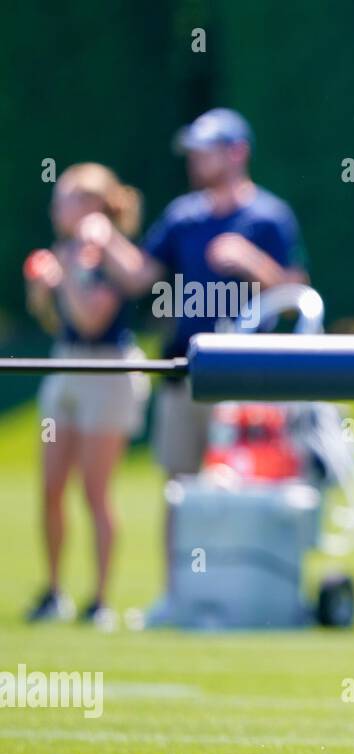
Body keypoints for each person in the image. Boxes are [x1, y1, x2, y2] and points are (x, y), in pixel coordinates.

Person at [78, 108, 309, 625]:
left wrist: (251, 262)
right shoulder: (184, 216)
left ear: (237, 152)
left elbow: (298, 295)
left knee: (248, 489)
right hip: (187, 373)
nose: (198, 160)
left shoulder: (269, 216)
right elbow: (138, 277)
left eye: (208, 149)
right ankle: (177, 596)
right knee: (179, 489)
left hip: (251, 381)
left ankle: (247, 597)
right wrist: (104, 236)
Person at [24, 163, 151, 627]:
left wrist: (62, 281)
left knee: (94, 492)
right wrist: (42, 293)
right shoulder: (66, 250)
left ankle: (99, 600)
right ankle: (53, 591)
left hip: (108, 371)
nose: (57, 207)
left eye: (68, 199)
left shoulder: (110, 256)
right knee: (51, 488)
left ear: (94, 205)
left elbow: (94, 318)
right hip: (67, 364)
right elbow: (62, 322)